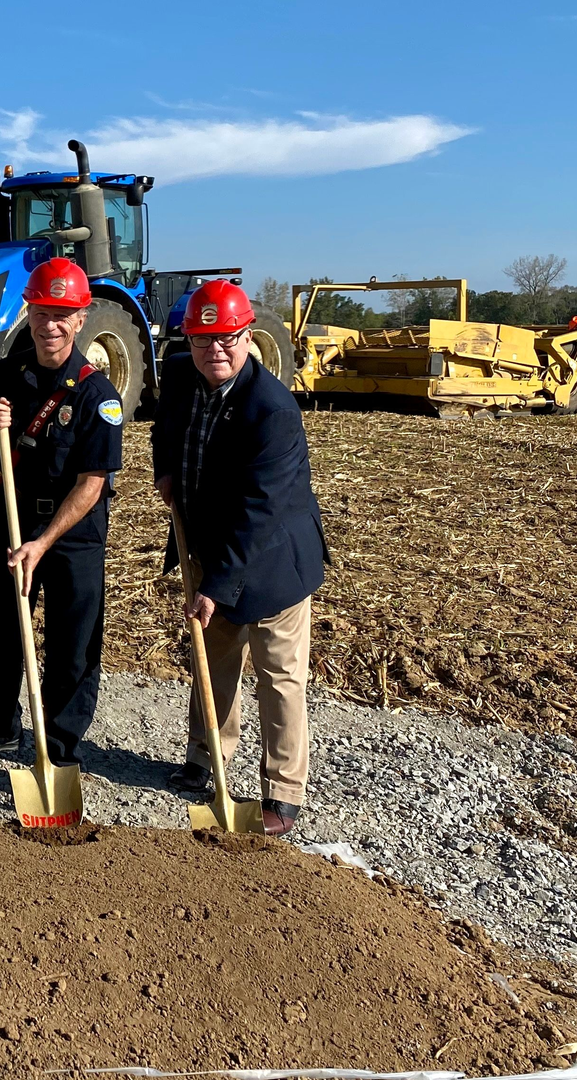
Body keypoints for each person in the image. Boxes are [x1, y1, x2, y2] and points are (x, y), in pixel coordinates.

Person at [151, 278, 327, 837]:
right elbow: (165, 427)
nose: (215, 351)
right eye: (203, 340)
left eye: (227, 338)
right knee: (214, 661)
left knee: (279, 676)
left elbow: (261, 511)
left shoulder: (271, 409)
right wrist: (166, 472)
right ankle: (207, 760)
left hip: (272, 560)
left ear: (247, 336)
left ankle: (283, 793)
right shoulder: (181, 375)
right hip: (207, 546)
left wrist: (216, 586)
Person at [0, 257, 122, 771]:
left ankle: (58, 747)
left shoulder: (99, 395)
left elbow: (92, 484)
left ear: (80, 320)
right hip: (13, 519)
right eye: (41, 313)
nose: (49, 325)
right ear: (29, 314)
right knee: (3, 635)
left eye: (62, 315)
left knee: (73, 646)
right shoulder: (8, 374)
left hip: (72, 534)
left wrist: (44, 541)